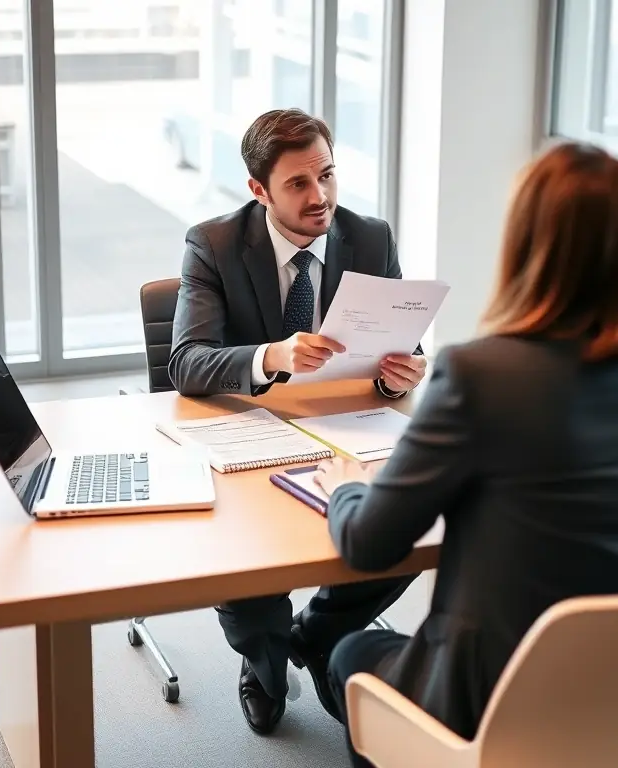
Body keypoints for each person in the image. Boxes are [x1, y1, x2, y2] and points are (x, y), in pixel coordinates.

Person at [310, 142, 618, 766]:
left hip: (501, 697)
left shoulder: (482, 373)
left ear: (527, 244)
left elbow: (369, 546)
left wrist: (347, 485)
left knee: (350, 656)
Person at [168, 109, 423, 735]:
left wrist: (400, 373)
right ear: (259, 190)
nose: (322, 197)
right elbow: (186, 362)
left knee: (414, 524)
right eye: (299, 185)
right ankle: (265, 659)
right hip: (246, 431)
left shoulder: (370, 238)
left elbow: (398, 344)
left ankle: (320, 631)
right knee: (251, 552)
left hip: (346, 432)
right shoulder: (215, 243)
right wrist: (270, 356)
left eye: (328, 176)